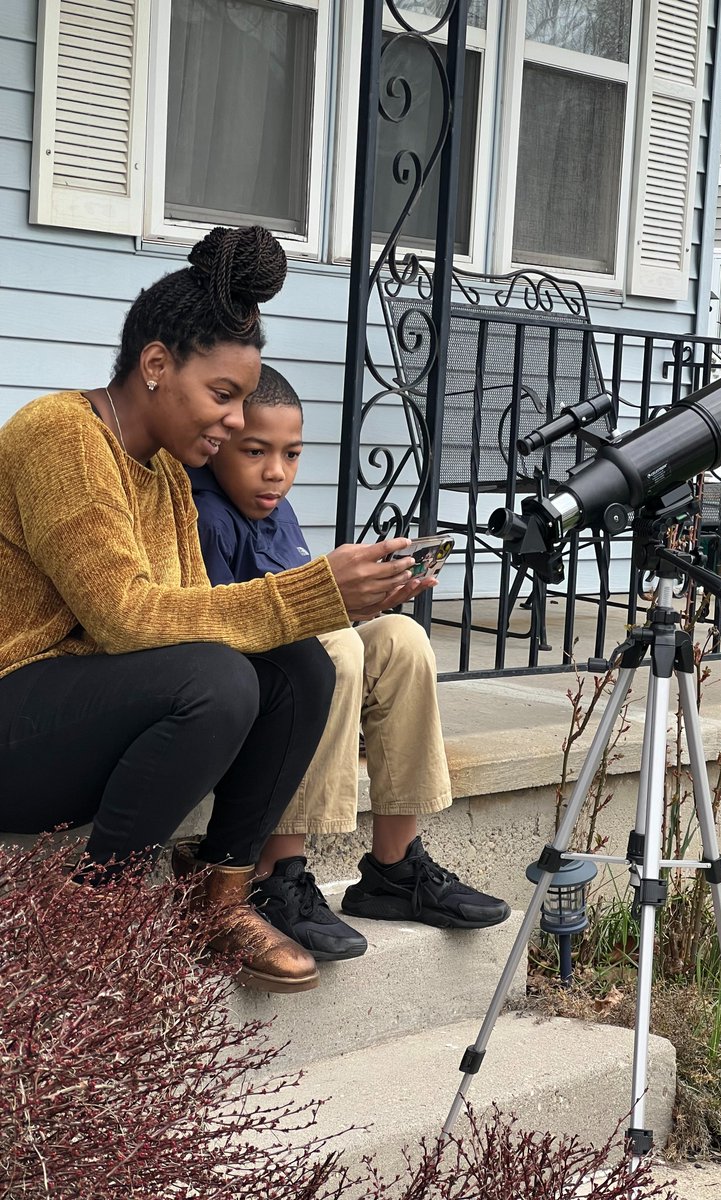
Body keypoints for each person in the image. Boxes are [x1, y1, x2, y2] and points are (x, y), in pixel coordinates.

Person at [0, 225, 426, 995]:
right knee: (217, 680)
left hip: (80, 730)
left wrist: (342, 603)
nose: (234, 422)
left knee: (298, 664)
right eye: (223, 396)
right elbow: (124, 617)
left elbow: (197, 612)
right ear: (156, 366)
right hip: (15, 715)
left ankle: (220, 893)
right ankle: (97, 911)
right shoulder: (59, 435)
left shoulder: (164, 471)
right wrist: (313, 590)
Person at [188, 364, 511, 962]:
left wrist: (368, 602)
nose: (276, 473)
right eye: (255, 451)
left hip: (291, 671)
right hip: (246, 701)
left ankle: (393, 866)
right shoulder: (205, 515)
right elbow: (212, 633)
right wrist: (328, 616)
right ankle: (277, 873)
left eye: (291, 454)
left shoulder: (274, 512)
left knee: (401, 638)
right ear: (215, 446)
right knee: (334, 647)